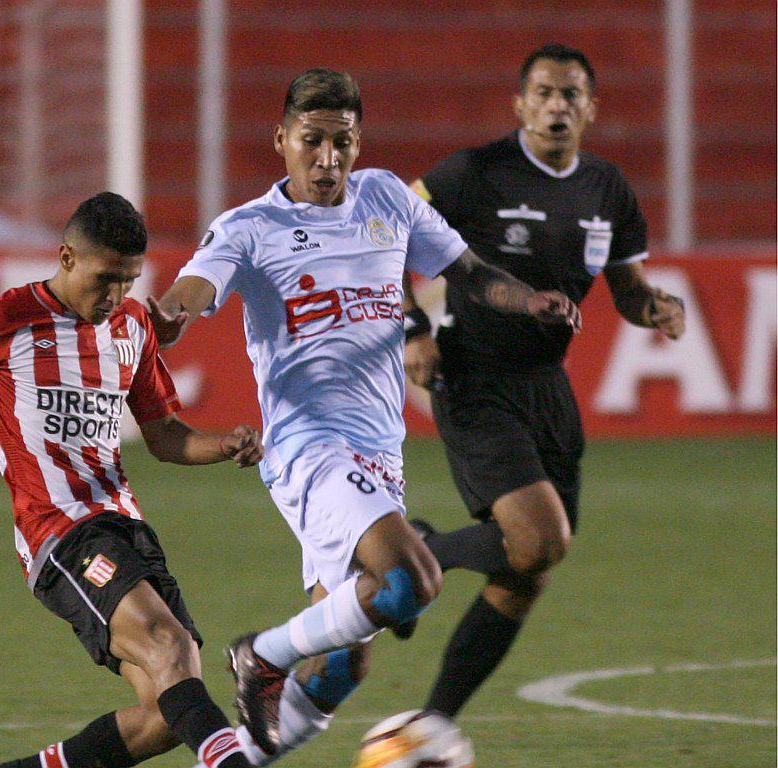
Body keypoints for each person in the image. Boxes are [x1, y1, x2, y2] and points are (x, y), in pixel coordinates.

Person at [149, 68, 579, 762]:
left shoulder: (385, 198)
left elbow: (468, 271)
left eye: (341, 142)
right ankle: (260, 654)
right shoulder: (251, 227)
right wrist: (169, 315)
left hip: (381, 453)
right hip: (308, 445)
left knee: (341, 665)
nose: (327, 160)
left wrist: (528, 299)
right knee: (412, 580)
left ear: (359, 140)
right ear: (282, 138)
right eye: (311, 142)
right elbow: (197, 286)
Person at [0, 192, 264, 768]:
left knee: (167, 711)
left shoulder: (132, 324)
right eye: (104, 278)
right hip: (59, 533)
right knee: (167, 645)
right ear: (66, 258)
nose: (114, 295)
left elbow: (164, 437)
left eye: (128, 281)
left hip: (127, 527)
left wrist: (225, 444)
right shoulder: (2, 319)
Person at [402, 43, 686, 719]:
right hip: (475, 374)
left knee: (526, 573)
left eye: (571, 94)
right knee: (537, 540)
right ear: (520, 103)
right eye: (544, 92)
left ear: (591, 108)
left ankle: (431, 722)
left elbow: (626, 288)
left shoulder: (607, 190)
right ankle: (408, 559)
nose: (557, 105)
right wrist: (410, 328)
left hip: (546, 386)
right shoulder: (475, 172)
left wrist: (656, 308)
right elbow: (387, 237)